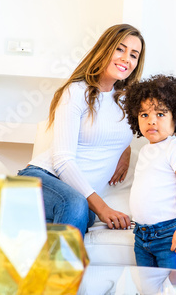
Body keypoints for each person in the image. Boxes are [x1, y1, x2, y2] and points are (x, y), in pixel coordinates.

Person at [17, 24, 145, 237]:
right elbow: (62, 160)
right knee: (76, 205)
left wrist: (126, 149)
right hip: (44, 178)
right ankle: (60, 270)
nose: (126, 59)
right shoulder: (76, 91)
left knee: (78, 212)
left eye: (134, 54)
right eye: (120, 49)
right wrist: (103, 208)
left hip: (79, 200)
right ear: (105, 49)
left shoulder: (127, 101)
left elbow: (117, 131)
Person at [123, 74, 176, 270]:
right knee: (147, 287)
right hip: (141, 235)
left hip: (168, 235)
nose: (151, 121)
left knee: (173, 289)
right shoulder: (146, 150)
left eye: (160, 114)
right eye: (144, 115)